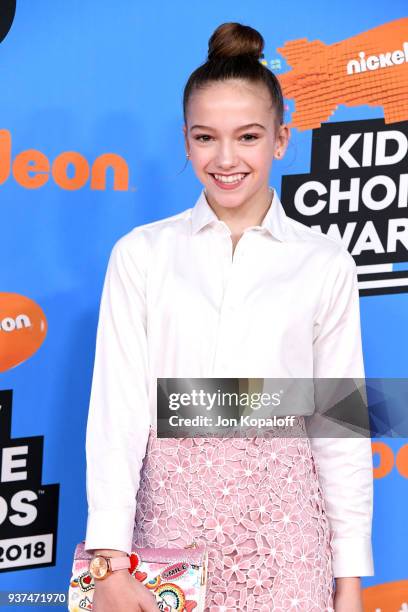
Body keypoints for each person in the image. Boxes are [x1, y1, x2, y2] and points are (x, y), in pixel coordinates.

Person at [83, 22, 374, 612]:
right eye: (205, 137)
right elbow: (118, 410)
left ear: (281, 139)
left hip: (289, 543)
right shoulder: (142, 255)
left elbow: (340, 425)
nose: (226, 159)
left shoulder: (325, 262)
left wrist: (349, 580)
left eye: (247, 136)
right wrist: (108, 560)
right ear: (186, 143)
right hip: (166, 537)